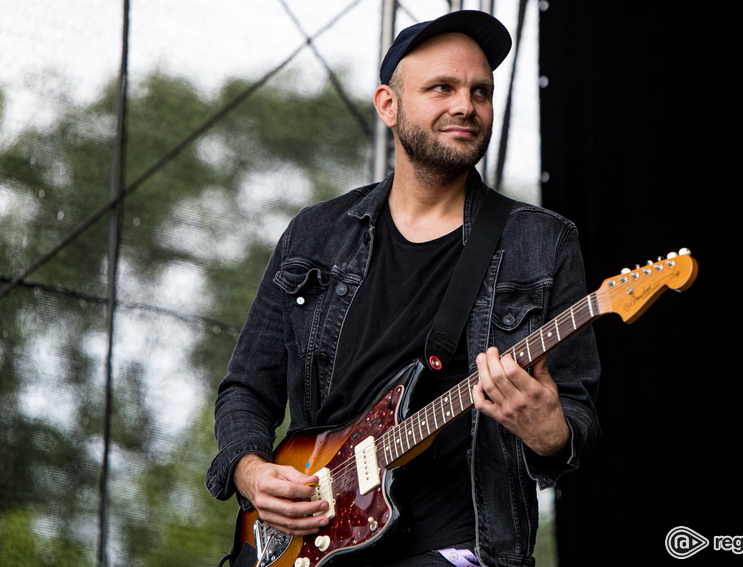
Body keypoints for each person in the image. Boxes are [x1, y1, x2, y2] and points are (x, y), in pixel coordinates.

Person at [205, 10, 600, 567]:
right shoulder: (316, 233)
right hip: (310, 541)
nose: (466, 105)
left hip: (460, 547)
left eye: (480, 92)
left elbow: (574, 422)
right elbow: (247, 385)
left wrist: (549, 431)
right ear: (388, 105)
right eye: (442, 87)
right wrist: (251, 471)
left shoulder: (543, 242)